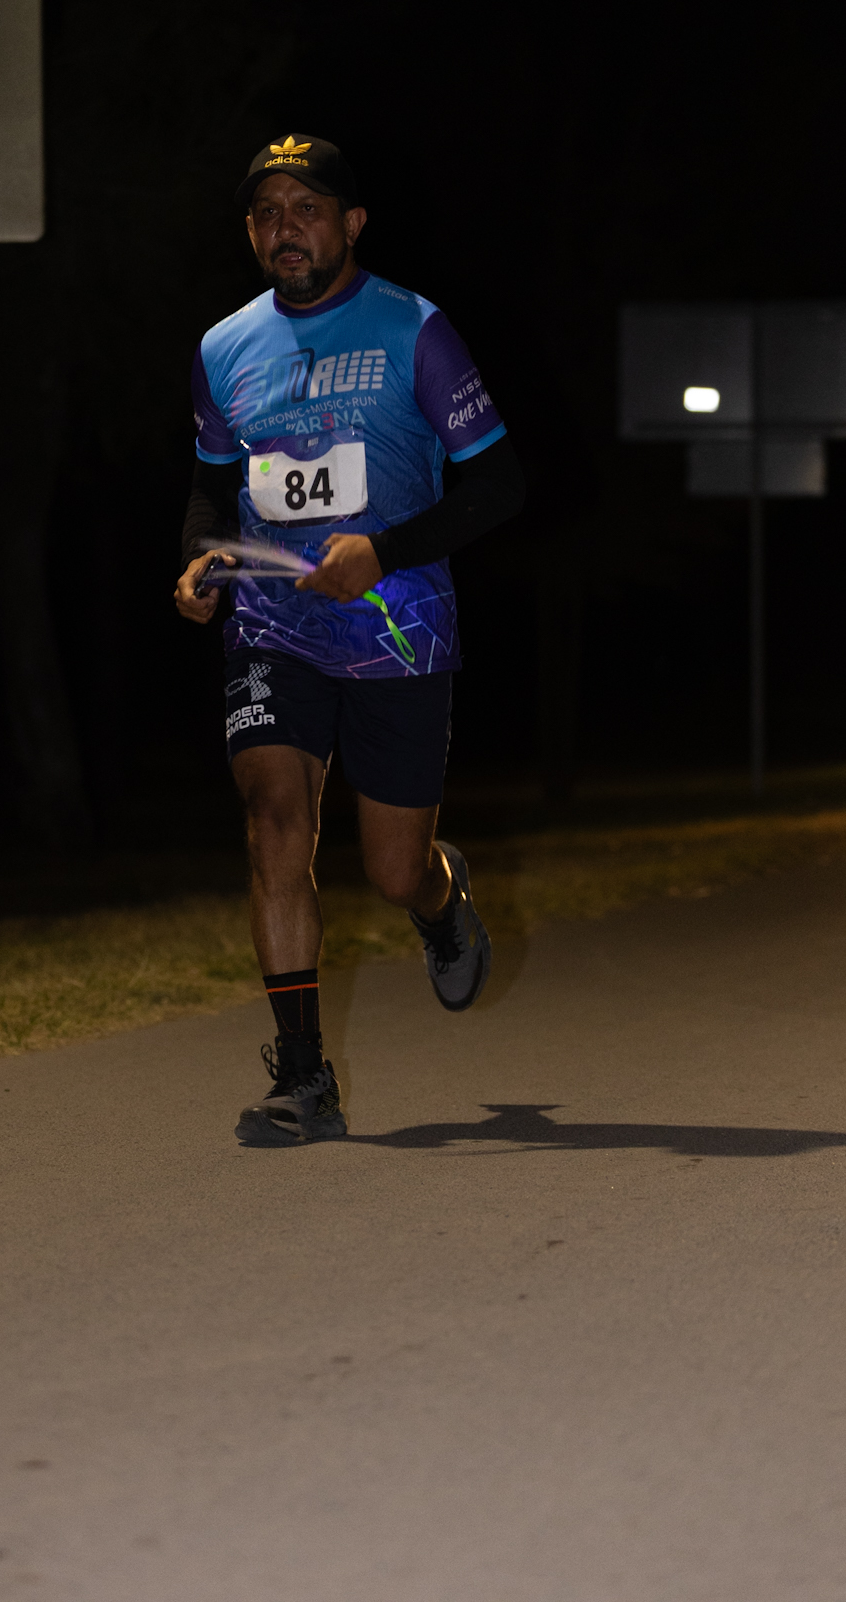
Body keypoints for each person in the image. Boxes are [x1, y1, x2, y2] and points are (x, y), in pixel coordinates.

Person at [174, 134, 525, 1146]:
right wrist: (200, 558)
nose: (285, 228)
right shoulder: (223, 347)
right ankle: (304, 1077)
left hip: (396, 629)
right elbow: (211, 488)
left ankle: (440, 900)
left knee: (390, 868)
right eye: (267, 213)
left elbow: (500, 485)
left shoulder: (415, 328)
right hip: (272, 626)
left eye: (307, 208)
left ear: (352, 222)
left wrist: (385, 552)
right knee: (274, 822)